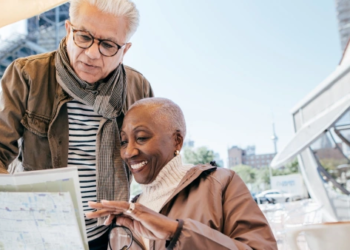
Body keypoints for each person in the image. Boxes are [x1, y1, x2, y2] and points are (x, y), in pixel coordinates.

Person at [0, 0, 153, 249]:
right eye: (84, 37)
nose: (92, 53)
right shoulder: (27, 75)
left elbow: (153, 162)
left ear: (124, 50)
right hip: (38, 232)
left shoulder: (138, 88)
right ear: (68, 29)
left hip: (108, 234)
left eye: (107, 45)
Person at [86, 97, 278, 250]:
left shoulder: (220, 184)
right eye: (124, 141)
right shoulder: (128, 213)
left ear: (177, 141)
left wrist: (175, 232)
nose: (128, 152)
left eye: (142, 138)